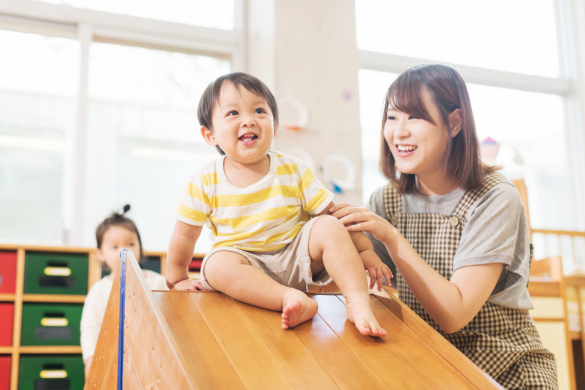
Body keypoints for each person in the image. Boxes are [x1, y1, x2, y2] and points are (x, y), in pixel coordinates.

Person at [330, 64, 558, 388]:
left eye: (415, 117)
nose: (399, 131)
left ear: (454, 123)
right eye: (392, 117)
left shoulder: (495, 197)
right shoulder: (386, 200)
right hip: (428, 362)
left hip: (505, 369)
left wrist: (392, 237)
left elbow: (454, 313)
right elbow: (366, 283)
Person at [166, 72, 391, 337]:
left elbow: (333, 215)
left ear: (274, 124)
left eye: (259, 110)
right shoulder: (204, 181)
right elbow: (184, 234)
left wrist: (364, 250)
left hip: (298, 259)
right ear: (209, 134)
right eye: (233, 113)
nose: (248, 120)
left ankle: (357, 302)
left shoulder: (293, 168)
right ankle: (290, 298)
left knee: (328, 225)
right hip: (246, 268)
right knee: (215, 264)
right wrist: (177, 278)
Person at [80, 206, 167, 377]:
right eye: (114, 247)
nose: (124, 251)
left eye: (131, 244)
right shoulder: (98, 291)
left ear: (140, 247)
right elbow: (90, 330)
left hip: (151, 360)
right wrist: (90, 360)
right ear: (101, 254)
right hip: (112, 361)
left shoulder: (157, 282)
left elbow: (170, 319)